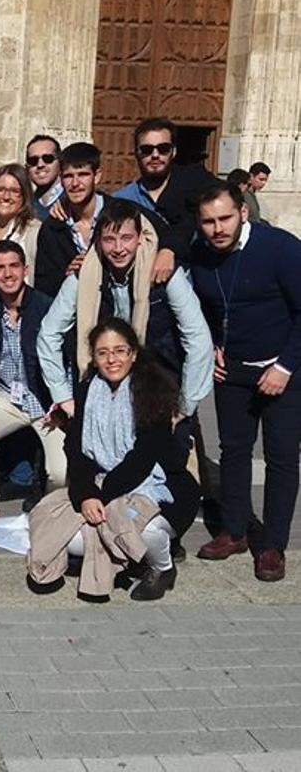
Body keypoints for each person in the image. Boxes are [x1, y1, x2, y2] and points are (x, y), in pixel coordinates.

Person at [27, 319, 199, 601]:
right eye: (103, 352)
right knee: (59, 526)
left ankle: (162, 567)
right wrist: (86, 494)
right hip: (101, 481)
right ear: (93, 358)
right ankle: (125, 558)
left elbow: (142, 460)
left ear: (133, 353)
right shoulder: (87, 391)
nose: (112, 359)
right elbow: (76, 448)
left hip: (157, 488)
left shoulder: (152, 391)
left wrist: (100, 495)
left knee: (134, 527)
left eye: (120, 351)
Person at [190, 184, 301, 580]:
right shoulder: (199, 252)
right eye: (208, 222)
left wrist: (285, 367)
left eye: (224, 218)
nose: (217, 228)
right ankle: (234, 530)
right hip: (232, 370)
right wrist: (212, 346)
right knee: (234, 451)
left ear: (242, 213)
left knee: (281, 458)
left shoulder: (281, 248)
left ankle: (272, 545)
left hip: (283, 371)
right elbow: (199, 305)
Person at [37, 198, 213, 424]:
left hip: (157, 385)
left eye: (126, 238)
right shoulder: (85, 275)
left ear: (140, 238)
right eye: (110, 240)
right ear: (98, 242)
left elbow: (197, 337)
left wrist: (185, 404)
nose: (118, 249)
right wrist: (63, 396)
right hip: (101, 390)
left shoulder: (164, 275)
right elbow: (49, 333)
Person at [0, 240, 65, 526]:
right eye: (0, 268)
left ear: (25, 270)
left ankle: (50, 506)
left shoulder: (47, 307)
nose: (7, 274)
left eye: (13, 266)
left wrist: (64, 402)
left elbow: (66, 359)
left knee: (61, 472)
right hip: (6, 395)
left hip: (45, 401)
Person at [34, 142, 175, 298]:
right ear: (61, 180)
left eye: (83, 175)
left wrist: (167, 252)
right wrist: (69, 275)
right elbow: (44, 286)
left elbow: (170, 233)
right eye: (68, 176)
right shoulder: (53, 227)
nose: (75, 183)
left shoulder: (122, 210)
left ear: (97, 176)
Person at [112, 117, 218, 257]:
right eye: (147, 149)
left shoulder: (197, 185)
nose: (155, 155)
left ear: (173, 152)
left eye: (163, 149)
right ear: (137, 153)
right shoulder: (121, 200)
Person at [0, 164, 41, 291]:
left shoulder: (35, 232)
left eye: (14, 191)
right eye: (0, 190)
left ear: (24, 196)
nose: (6, 197)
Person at [25, 135, 63, 221]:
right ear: (27, 168)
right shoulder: (27, 206)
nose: (40, 165)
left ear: (60, 162)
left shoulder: (73, 200)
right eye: (33, 161)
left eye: (48, 158)